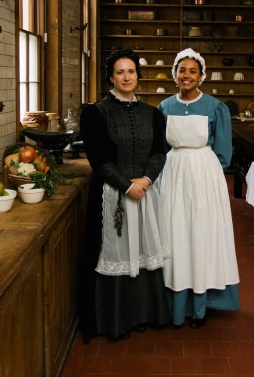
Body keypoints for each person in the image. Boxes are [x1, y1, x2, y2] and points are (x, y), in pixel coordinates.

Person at [78, 48, 171, 341]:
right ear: (111, 76)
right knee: (114, 251)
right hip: (111, 195)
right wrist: (127, 185)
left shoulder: (153, 114)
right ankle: (114, 319)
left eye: (131, 71)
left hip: (144, 193)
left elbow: (159, 153)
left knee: (143, 253)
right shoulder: (96, 113)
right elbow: (99, 159)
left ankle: (143, 314)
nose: (126, 77)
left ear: (138, 76)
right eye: (120, 72)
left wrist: (144, 180)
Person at [158, 48, 240, 328]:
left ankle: (202, 304)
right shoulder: (165, 107)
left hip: (204, 173)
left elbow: (223, 151)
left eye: (193, 71)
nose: (187, 75)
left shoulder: (215, 107)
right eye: (182, 70)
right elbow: (160, 146)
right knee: (175, 232)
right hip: (173, 172)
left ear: (201, 76)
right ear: (175, 74)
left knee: (202, 233)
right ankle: (174, 301)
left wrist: (207, 173)